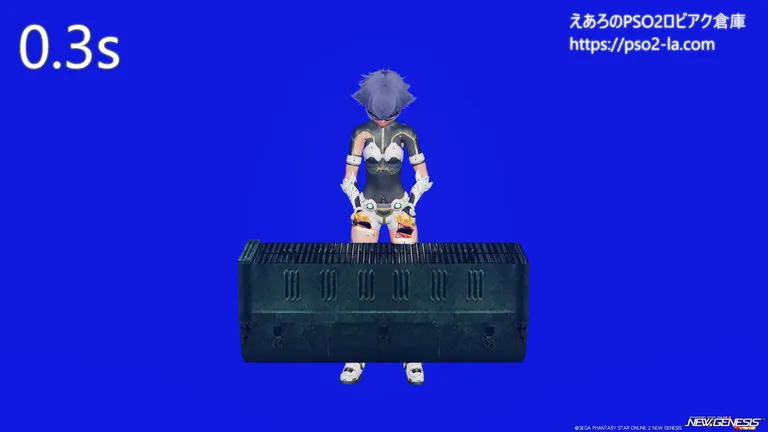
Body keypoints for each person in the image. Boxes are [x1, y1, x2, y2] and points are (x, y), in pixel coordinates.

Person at [339, 70, 433, 385]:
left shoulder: (407, 134)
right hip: (366, 207)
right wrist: (356, 201)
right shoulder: (359, 134)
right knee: (360, 278)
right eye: (376, 114)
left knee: (407, 278)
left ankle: (412, 352)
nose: (381, 121)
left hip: (399, 209)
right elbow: (349, 178)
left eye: (388, 115)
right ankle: (356, 352)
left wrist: (411, 203)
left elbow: (423, 176)